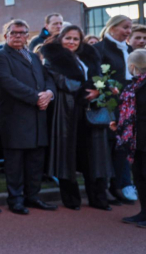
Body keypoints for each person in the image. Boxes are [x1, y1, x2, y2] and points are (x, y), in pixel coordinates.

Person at [0, 20, 57, 214]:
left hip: (38, 117)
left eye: (22, 33)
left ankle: (33, 197)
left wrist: (49, 94)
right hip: (15, 117)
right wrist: (36, 97)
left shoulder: (34, 57)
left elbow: (48, 78)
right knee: (15, 163)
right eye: (14, 33)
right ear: (6, 36)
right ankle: (15, 199)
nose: (18, 36)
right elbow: (7, 83)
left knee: (35, 161)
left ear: (28, 36)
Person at [42, 26, 112, 210]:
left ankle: (97, 196)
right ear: (60, 38)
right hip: (68, 111)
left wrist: (100, 89)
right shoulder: (52, 60)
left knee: (94, 155)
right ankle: (71, 198)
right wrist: (92, 89)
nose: (72, 42)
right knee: (68, 154)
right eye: (68, 38)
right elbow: (65, 83)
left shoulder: (88, 57)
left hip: (91, 110)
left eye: (75, 39)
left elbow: (99, 78)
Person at [97, 15, 136, 205]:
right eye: (124, 27)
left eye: (130, 28)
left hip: (128, 105)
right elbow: (97, 77)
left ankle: (119, 185)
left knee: (122, 145)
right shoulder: (99, 49)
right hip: (109, 106)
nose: (128, 31)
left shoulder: (129, 49)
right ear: (112, 28)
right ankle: (107, 186)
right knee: (109, 145)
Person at [115, 49, 146, 227]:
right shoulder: (134, 85)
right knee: (140, 177)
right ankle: (143, 213)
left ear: (132, 66)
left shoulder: (137, 86)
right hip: (136, 139)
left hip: (140, 137)